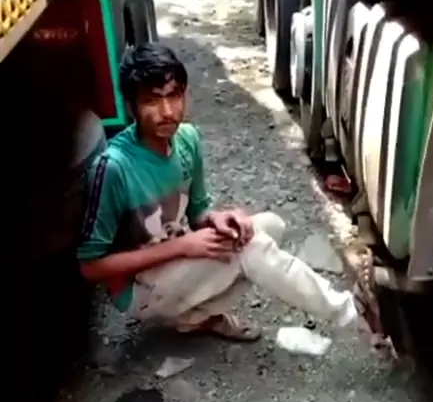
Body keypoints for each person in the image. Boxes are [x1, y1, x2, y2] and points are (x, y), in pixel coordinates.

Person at [77, 42, 383, 343]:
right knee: (251, 250)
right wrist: (182, 247)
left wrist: (218, 218)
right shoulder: (113, 167)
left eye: (174, 96)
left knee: (267, 227)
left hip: (176, 260)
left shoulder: (186, 139)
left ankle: (193, 317)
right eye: (152, 101)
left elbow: (198, 214)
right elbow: (90, 267)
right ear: (131, 107)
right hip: (138, 290)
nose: (167, 112)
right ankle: (352, 314)